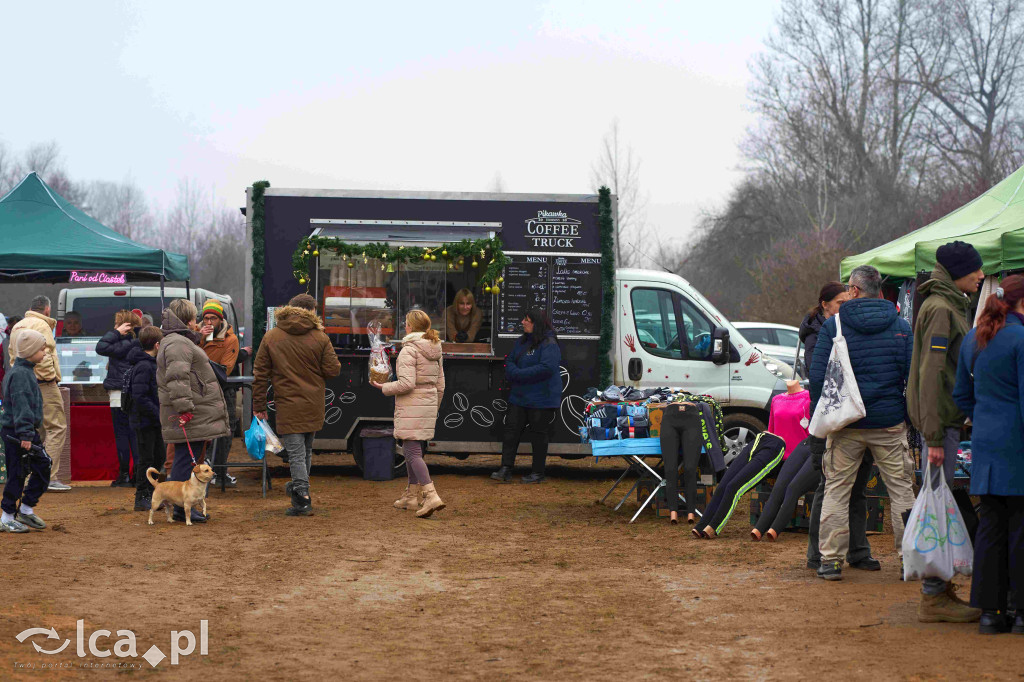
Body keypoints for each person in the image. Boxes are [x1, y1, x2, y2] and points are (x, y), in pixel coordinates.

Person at [809, 265, 917, 581]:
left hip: (846, 424)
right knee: (901, 492)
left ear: (854, 291)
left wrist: (826, 417)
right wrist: (906, 417)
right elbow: (912, 378)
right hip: (889, 421)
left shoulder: (833, 326)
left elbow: (817, 379)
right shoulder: (902, 326)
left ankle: (829, 561)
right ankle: (909, 561)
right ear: (879, 291)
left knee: (837, 490)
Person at [907, 241, 985, 622]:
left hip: (945, 422)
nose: (982, 276)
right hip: (941, 425)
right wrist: (935, 437)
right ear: (959, 272)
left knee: (940, 502)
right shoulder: (941, 308)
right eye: (976, 270)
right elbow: (931, 374)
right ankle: (933, 596)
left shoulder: (949, 303)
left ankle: (938, 590)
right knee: (937, 507)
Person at [953, 275, 1024, 635]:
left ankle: (989, 613)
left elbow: (961, 395)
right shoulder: (1021, 339)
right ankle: (1021, 612)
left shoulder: (974, 337)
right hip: (1018, 446)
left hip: (985, 445)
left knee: (991, 528)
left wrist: (983, 418)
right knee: (1020, 528)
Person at [253, 294, 341, 517]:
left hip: (287, 402)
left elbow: (260, 373)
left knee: (296, 454)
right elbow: (333, 370)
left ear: (288, 308)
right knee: (305, 451)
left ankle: (301, 497)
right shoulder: (320, 337)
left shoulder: (272, 336)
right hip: (313, 401)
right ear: (312, 311)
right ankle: (300, 490)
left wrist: (258, 404)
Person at [157, 299, 230, 524]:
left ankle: (183, 507)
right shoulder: (178, 343)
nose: (197, 322)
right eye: (194, 317)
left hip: (194, 411)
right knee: (184, 460)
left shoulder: (178, 341)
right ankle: (181, 508)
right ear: (187, 319)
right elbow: (177, 378)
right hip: (191, 413)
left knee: (188, 458)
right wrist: (185, 410)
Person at [370, 309, 446, 518]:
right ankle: (411, 496)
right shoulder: (436, 349)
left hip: (412, 404)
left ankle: (430, 495)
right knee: (415, 451)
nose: (405, 326)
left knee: (412, 453)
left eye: (406, 323)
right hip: (428, 404)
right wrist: (434, 408)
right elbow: (441, 385)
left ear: (410, 327)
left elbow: (406, 384)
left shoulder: (408, 350)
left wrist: (383, 387)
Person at [490, 308, 561, 484]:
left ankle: (537, 472)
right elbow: (510, 360)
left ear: (536, 323)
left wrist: (518, 374)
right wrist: (514, 371)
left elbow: (546, 368)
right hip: (520, 396)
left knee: (538, 435)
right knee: (511, 432)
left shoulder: (549, 343)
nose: (523, 322)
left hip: (541, 398)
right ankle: (505, 468)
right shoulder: (522, 341)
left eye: (527, 320)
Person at [8, 297, 70, 492]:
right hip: (44, 384)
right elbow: (46, 354)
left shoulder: (18, 325)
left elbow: (12, 355)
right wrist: (49, 378)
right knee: (56, 427)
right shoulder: (41, 324)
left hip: (24, 380)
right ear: (47, 309)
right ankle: (47, 476)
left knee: (37, 429)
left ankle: (32, 476)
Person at [0, 330, 52, 532]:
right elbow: (22, 407)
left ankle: (25, 509)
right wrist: (25, 435)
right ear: (30, 351)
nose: (45, 353)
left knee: (40, 466)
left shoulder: (24, 371)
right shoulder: (21, 374)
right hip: (19, 434)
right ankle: (7, 516)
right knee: (18, 473)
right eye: (41, 349)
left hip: (22, 432)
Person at [96, 310, 142, 487]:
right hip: (135, 393)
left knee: (121, 435)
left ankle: (124, 475)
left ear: (125, 326)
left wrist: (116, 333)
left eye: (117, 324)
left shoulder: (120, 343)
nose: (114, 327)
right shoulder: (140, 341)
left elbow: (101, 347)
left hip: (117, 394)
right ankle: (138, 474)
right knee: (135, 435)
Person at [198, 300, 240, 488]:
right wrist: (198, 339)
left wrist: (202, 366)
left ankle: (220, 471)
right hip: (201, 390)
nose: (208, 322)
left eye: (212, 318)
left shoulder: (230, 339)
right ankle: (205, 468)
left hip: (223, 390)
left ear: (220, 319)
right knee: (203, 430)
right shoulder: (196, 336)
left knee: (226, 430)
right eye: (205, 318)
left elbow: (226, 369)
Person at [128, 326, 164, 512]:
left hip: (152, 420)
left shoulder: (149, 364)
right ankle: (142, 495)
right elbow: (140, 396)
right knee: (146, 459)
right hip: (145, 422)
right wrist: (157, 414)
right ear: (157, 344)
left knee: (158, 456)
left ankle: (153, 493)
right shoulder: (144, 366)